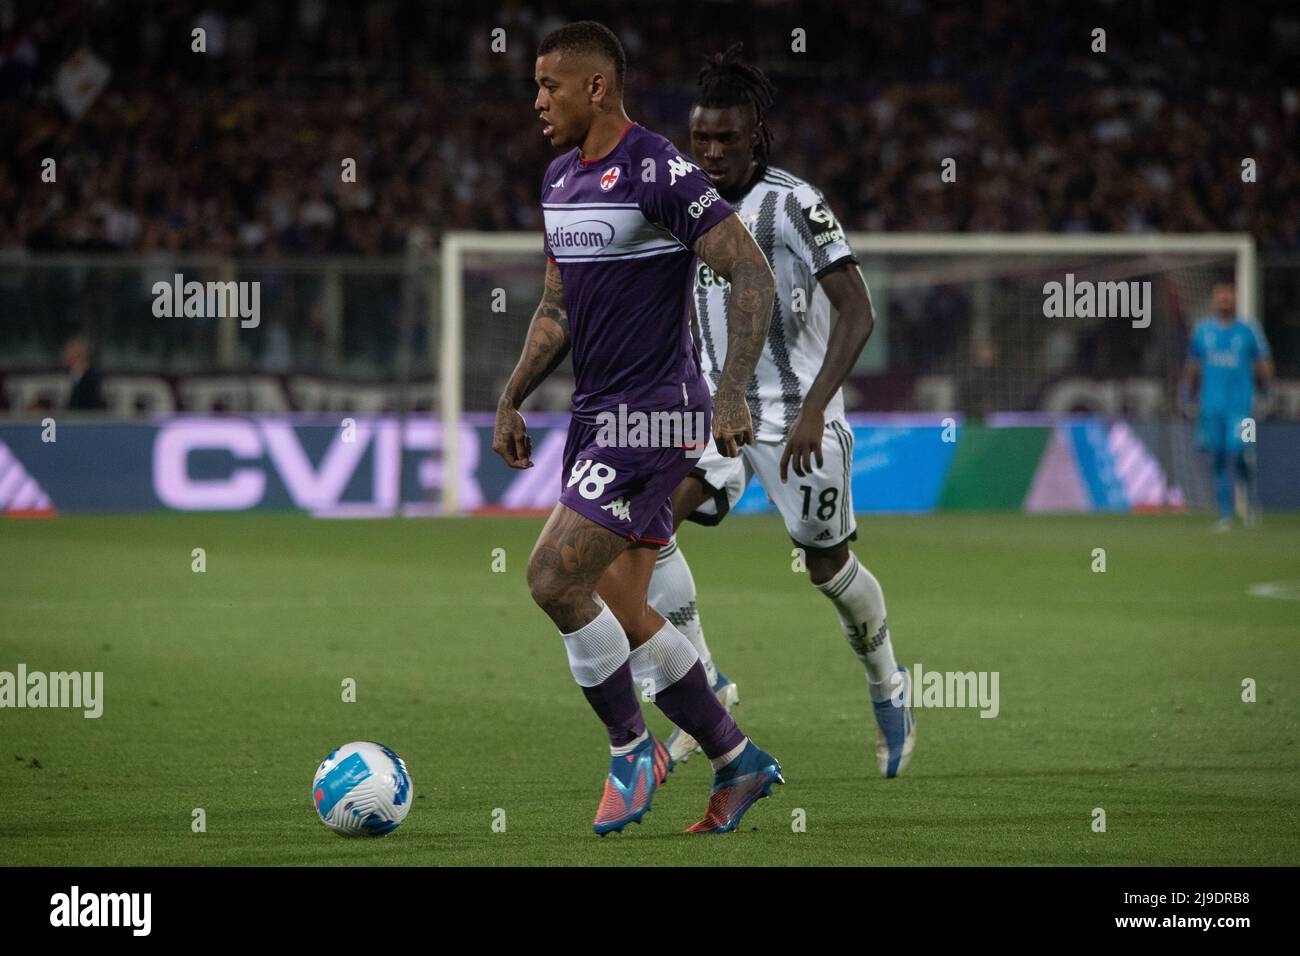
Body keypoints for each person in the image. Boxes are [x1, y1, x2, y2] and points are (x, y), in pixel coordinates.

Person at [493, 22, 783, 835]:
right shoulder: (558, 179)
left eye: (550, 85)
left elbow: (750, 272)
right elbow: (556, 308)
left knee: (553, 579)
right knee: (619, 604)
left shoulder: (658, 168)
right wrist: (513, 394)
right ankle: (737, 760)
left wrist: (731, 391)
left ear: (596, 87)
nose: (538, 100)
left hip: (655, 412)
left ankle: (632, 747)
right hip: (596, 416)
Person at [647, 46, 916, 777]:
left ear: (755, 138)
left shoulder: (796, 203)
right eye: (701, 139)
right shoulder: (680, 203)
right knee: (647, 528)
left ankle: (887, 684)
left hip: (798, 418)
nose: (710, 153)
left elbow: (857, 312)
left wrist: (816, 409)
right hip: (711, 413)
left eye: (726, 140)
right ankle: (706, 684)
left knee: (826, 564)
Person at [1181, 282, 1274, 531]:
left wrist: (1267, 391)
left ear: (1234, 300)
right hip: (1210, 408)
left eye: (1227, 297)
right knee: (1218, 457)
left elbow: (1263, 362)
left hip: (1243, 408)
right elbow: (1192, 364)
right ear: (1213, 301)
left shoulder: (1248, 331)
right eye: (1219, 297)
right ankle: (1225, 514)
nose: (1223, 301)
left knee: (1243, 452)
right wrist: (1186, 394)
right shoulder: (1202, 331)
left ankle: (1251, 503)